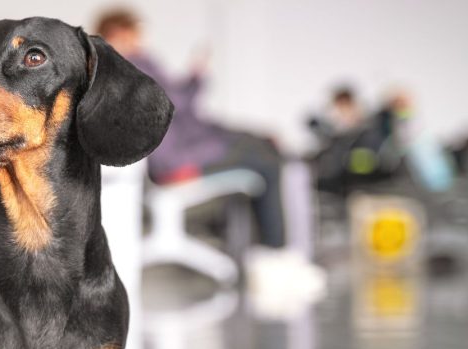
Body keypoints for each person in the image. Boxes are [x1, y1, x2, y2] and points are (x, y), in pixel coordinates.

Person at [95, 8, 324, 290]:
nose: (141, 39)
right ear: (119, 33)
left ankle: (274, 257)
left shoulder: (114, 69)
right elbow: (176, 103)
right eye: (136, 32)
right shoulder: (134, 62)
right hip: (176, 161)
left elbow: (183, 111)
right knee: (268, 162)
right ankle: (275, 262)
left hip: (180, 151)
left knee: (263, 149)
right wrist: (196, 76)